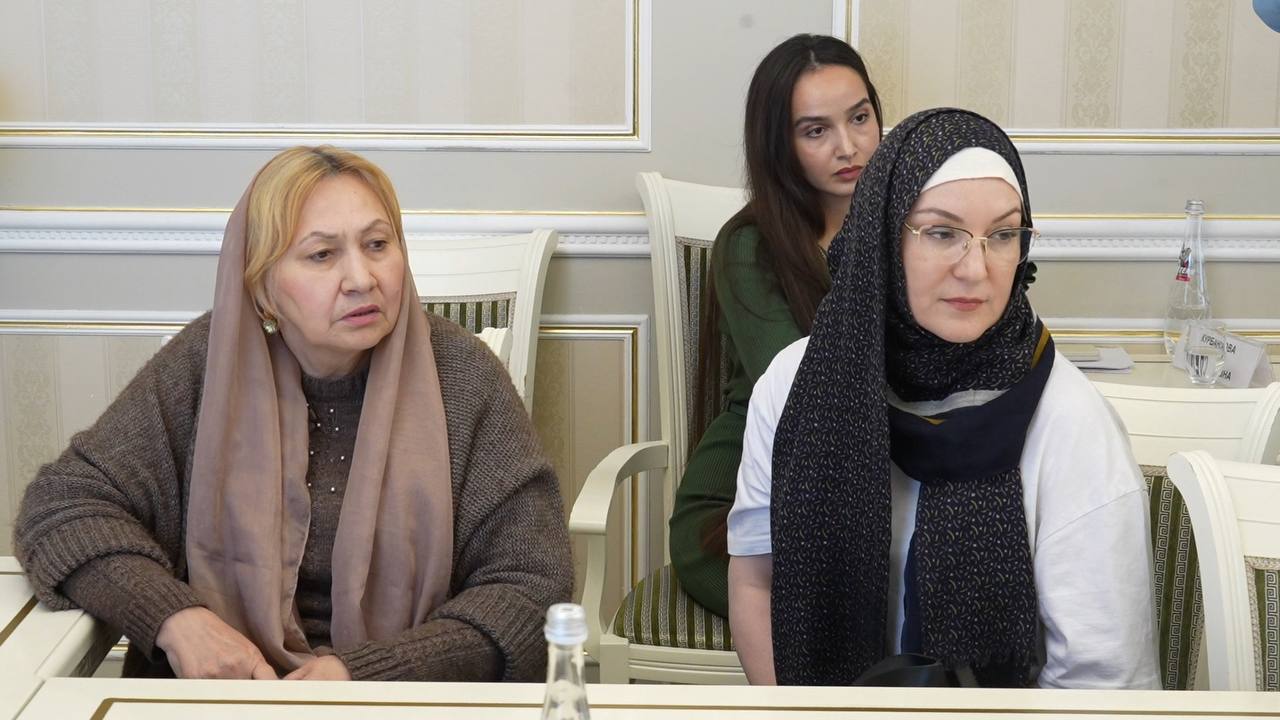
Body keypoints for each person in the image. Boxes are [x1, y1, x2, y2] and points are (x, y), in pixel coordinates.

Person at [14, 146, 573, 681]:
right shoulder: (208, 362)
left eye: (378, 244)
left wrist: (367, 674)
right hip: (226, 693)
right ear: (261, 289)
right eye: (322, 255)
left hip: (405, 695)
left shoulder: (464, 377)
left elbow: (532, 585)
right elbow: (62, 507)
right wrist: (176, 618)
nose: (362, 279)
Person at [726, 109, 1159, 688]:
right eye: (941, 233)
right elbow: (756, 581)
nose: (976, 269)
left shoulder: (1071, 421)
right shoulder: (793, 384)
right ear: (884, 239)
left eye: (1002, 235)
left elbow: (1102, 681)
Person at [668, 34, 882, 620]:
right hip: (741, 500)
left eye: (860, 117)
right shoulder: (748, 247)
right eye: (815, 131)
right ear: (779, 144)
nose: (849, 146)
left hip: (880, 487)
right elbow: (805, 393)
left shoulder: (916, 227)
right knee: (846, 607)